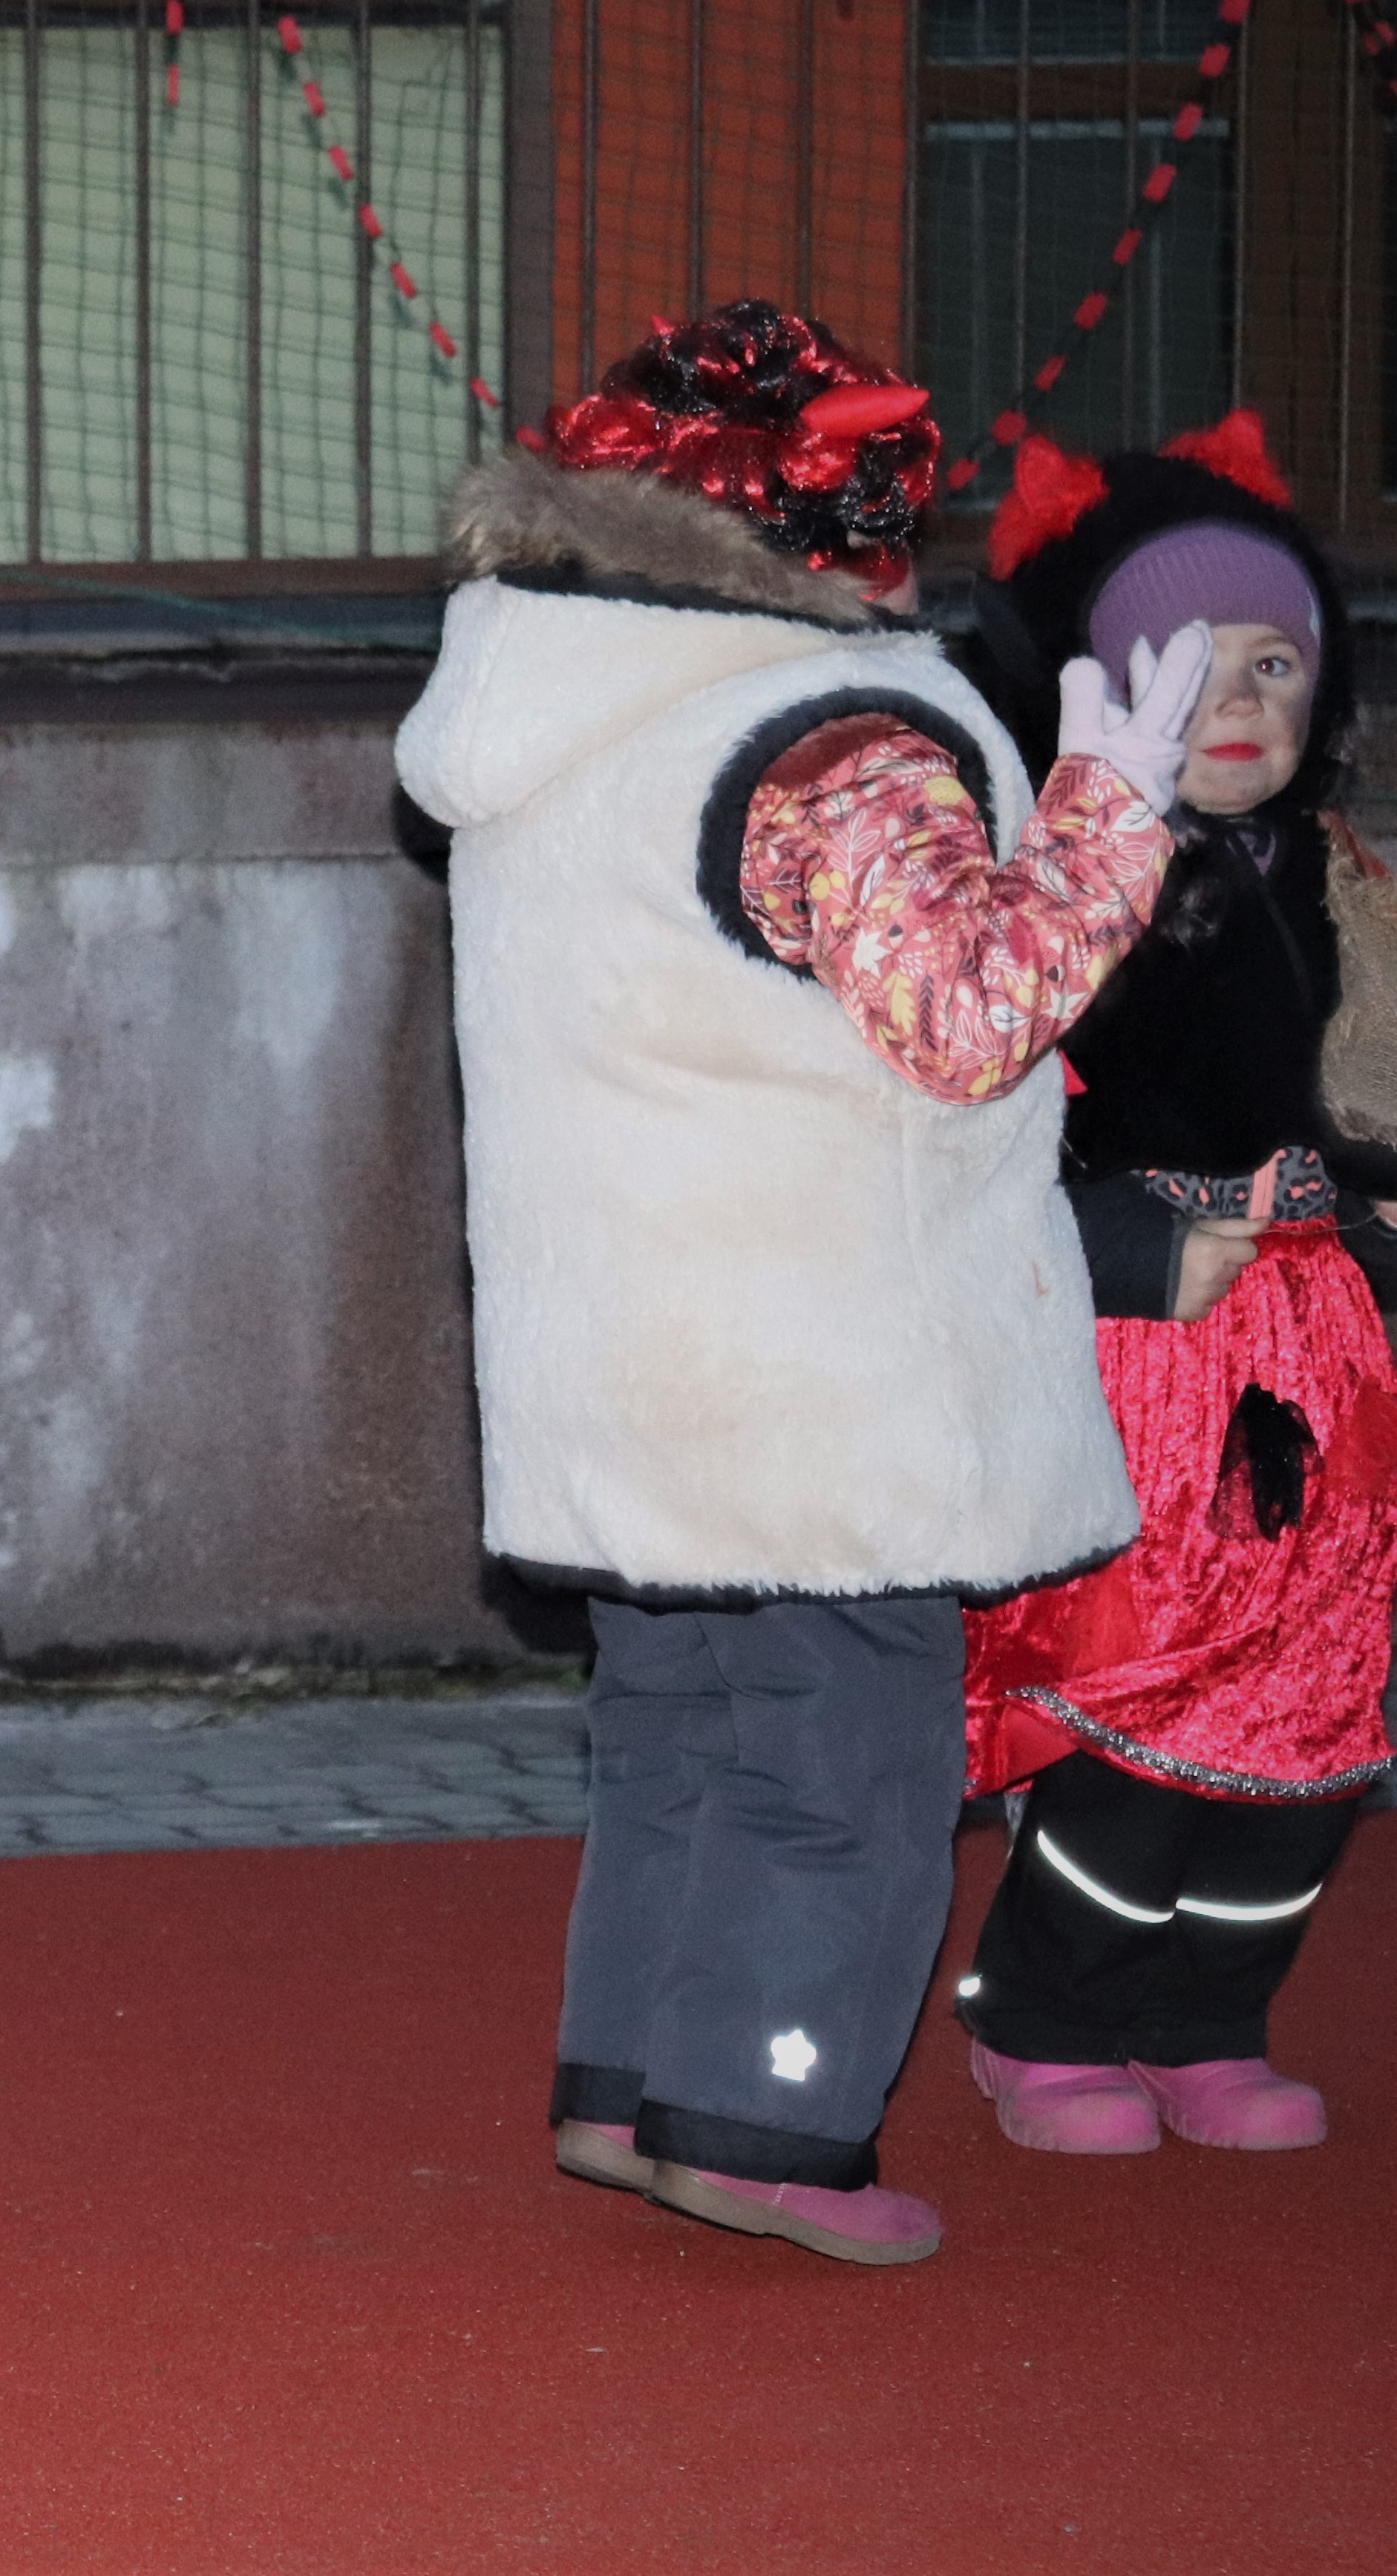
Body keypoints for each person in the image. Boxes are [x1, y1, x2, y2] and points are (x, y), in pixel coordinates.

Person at [397, 303, 1209, 2267]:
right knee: (840, 1755)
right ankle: (763, 2114)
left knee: (672, 1732)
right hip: (822, 1356)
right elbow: (965, 1012)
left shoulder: (555, 699)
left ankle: (629, 2085)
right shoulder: (830, 737)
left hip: (625, 1346)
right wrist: (1109, 811)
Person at [950, 414, 1390, 2155]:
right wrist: (1135, 1241)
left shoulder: (1341, 883)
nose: (1238, 702)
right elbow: (965, 1135)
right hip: (1142, 1348)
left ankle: (1206, 2018)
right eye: (1187, 666)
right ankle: (1046, 2022)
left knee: (1314, 1713)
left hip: (1325, 1355)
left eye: (1274, 663)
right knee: (1146, 1700)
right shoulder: (1048, 896)